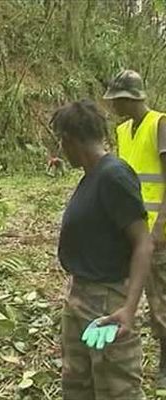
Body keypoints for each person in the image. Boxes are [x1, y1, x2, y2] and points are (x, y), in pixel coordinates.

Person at [52, 100, 152, 399]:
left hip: (108, 300)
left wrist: (129, 309)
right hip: (81, 295)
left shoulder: (114, 176)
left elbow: (143, 243)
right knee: (78, 384)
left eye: (61, 142)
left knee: (115, 389)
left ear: (69, 139)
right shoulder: (92, 176)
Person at [103, 69, 166, 387]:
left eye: (117, 101)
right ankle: (122, 352)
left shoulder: (160, 124)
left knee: (160, 300)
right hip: (130, 227)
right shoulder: (123, 131)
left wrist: (159, 229)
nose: (113, 106)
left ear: (130, 99)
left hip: (157, 231)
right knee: (123, 292)